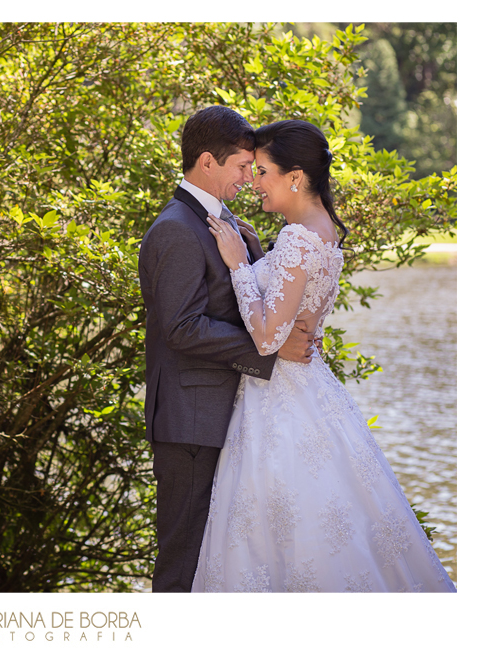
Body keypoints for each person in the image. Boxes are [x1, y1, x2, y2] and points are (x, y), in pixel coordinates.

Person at [192, 119, 456, 592]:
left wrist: (237, 266)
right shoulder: (323, 231)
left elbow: (269, 337)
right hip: (308, 389)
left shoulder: (296, 237)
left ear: (295, 176)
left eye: (264, 173)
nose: (254, 183)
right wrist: (255, 255)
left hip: (279, 403)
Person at [137, 106, 317, 593]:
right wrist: (272, 351)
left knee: (220, 562)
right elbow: (182, 328)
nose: (249, 177)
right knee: (183, 559)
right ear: (207, 162)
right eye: (242, 166)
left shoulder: (220, 218)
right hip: (191, 421)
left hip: (229, 418)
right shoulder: (177, 228)